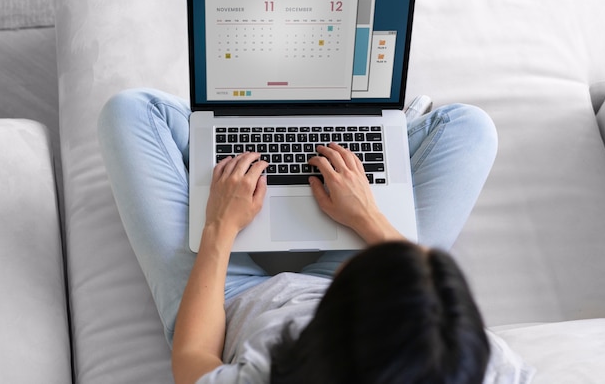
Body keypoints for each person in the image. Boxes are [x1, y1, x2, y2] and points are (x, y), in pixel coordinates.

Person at [98, 89, 498, 384]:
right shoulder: (466, 363)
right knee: (470, 127)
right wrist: (366, 214)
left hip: (229, 302)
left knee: (131, 111)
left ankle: (227, 140)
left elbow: (192, 358)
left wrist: (220, 227)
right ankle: (373, 134)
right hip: (367, 299)